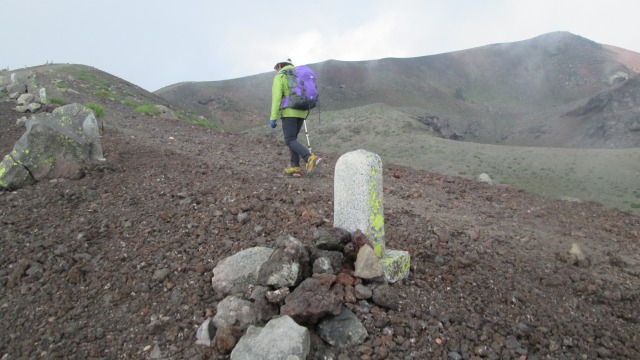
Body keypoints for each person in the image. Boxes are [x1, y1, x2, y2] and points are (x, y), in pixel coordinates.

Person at [270, 58, 321, 177]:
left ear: (280, 65)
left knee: (289, 140)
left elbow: (276, 98)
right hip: (302, 111)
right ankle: (295, 167)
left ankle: (309, 157)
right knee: (293, 139)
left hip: (289, 112)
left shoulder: (281, 76)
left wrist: (273, 117)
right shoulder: (298, 74)